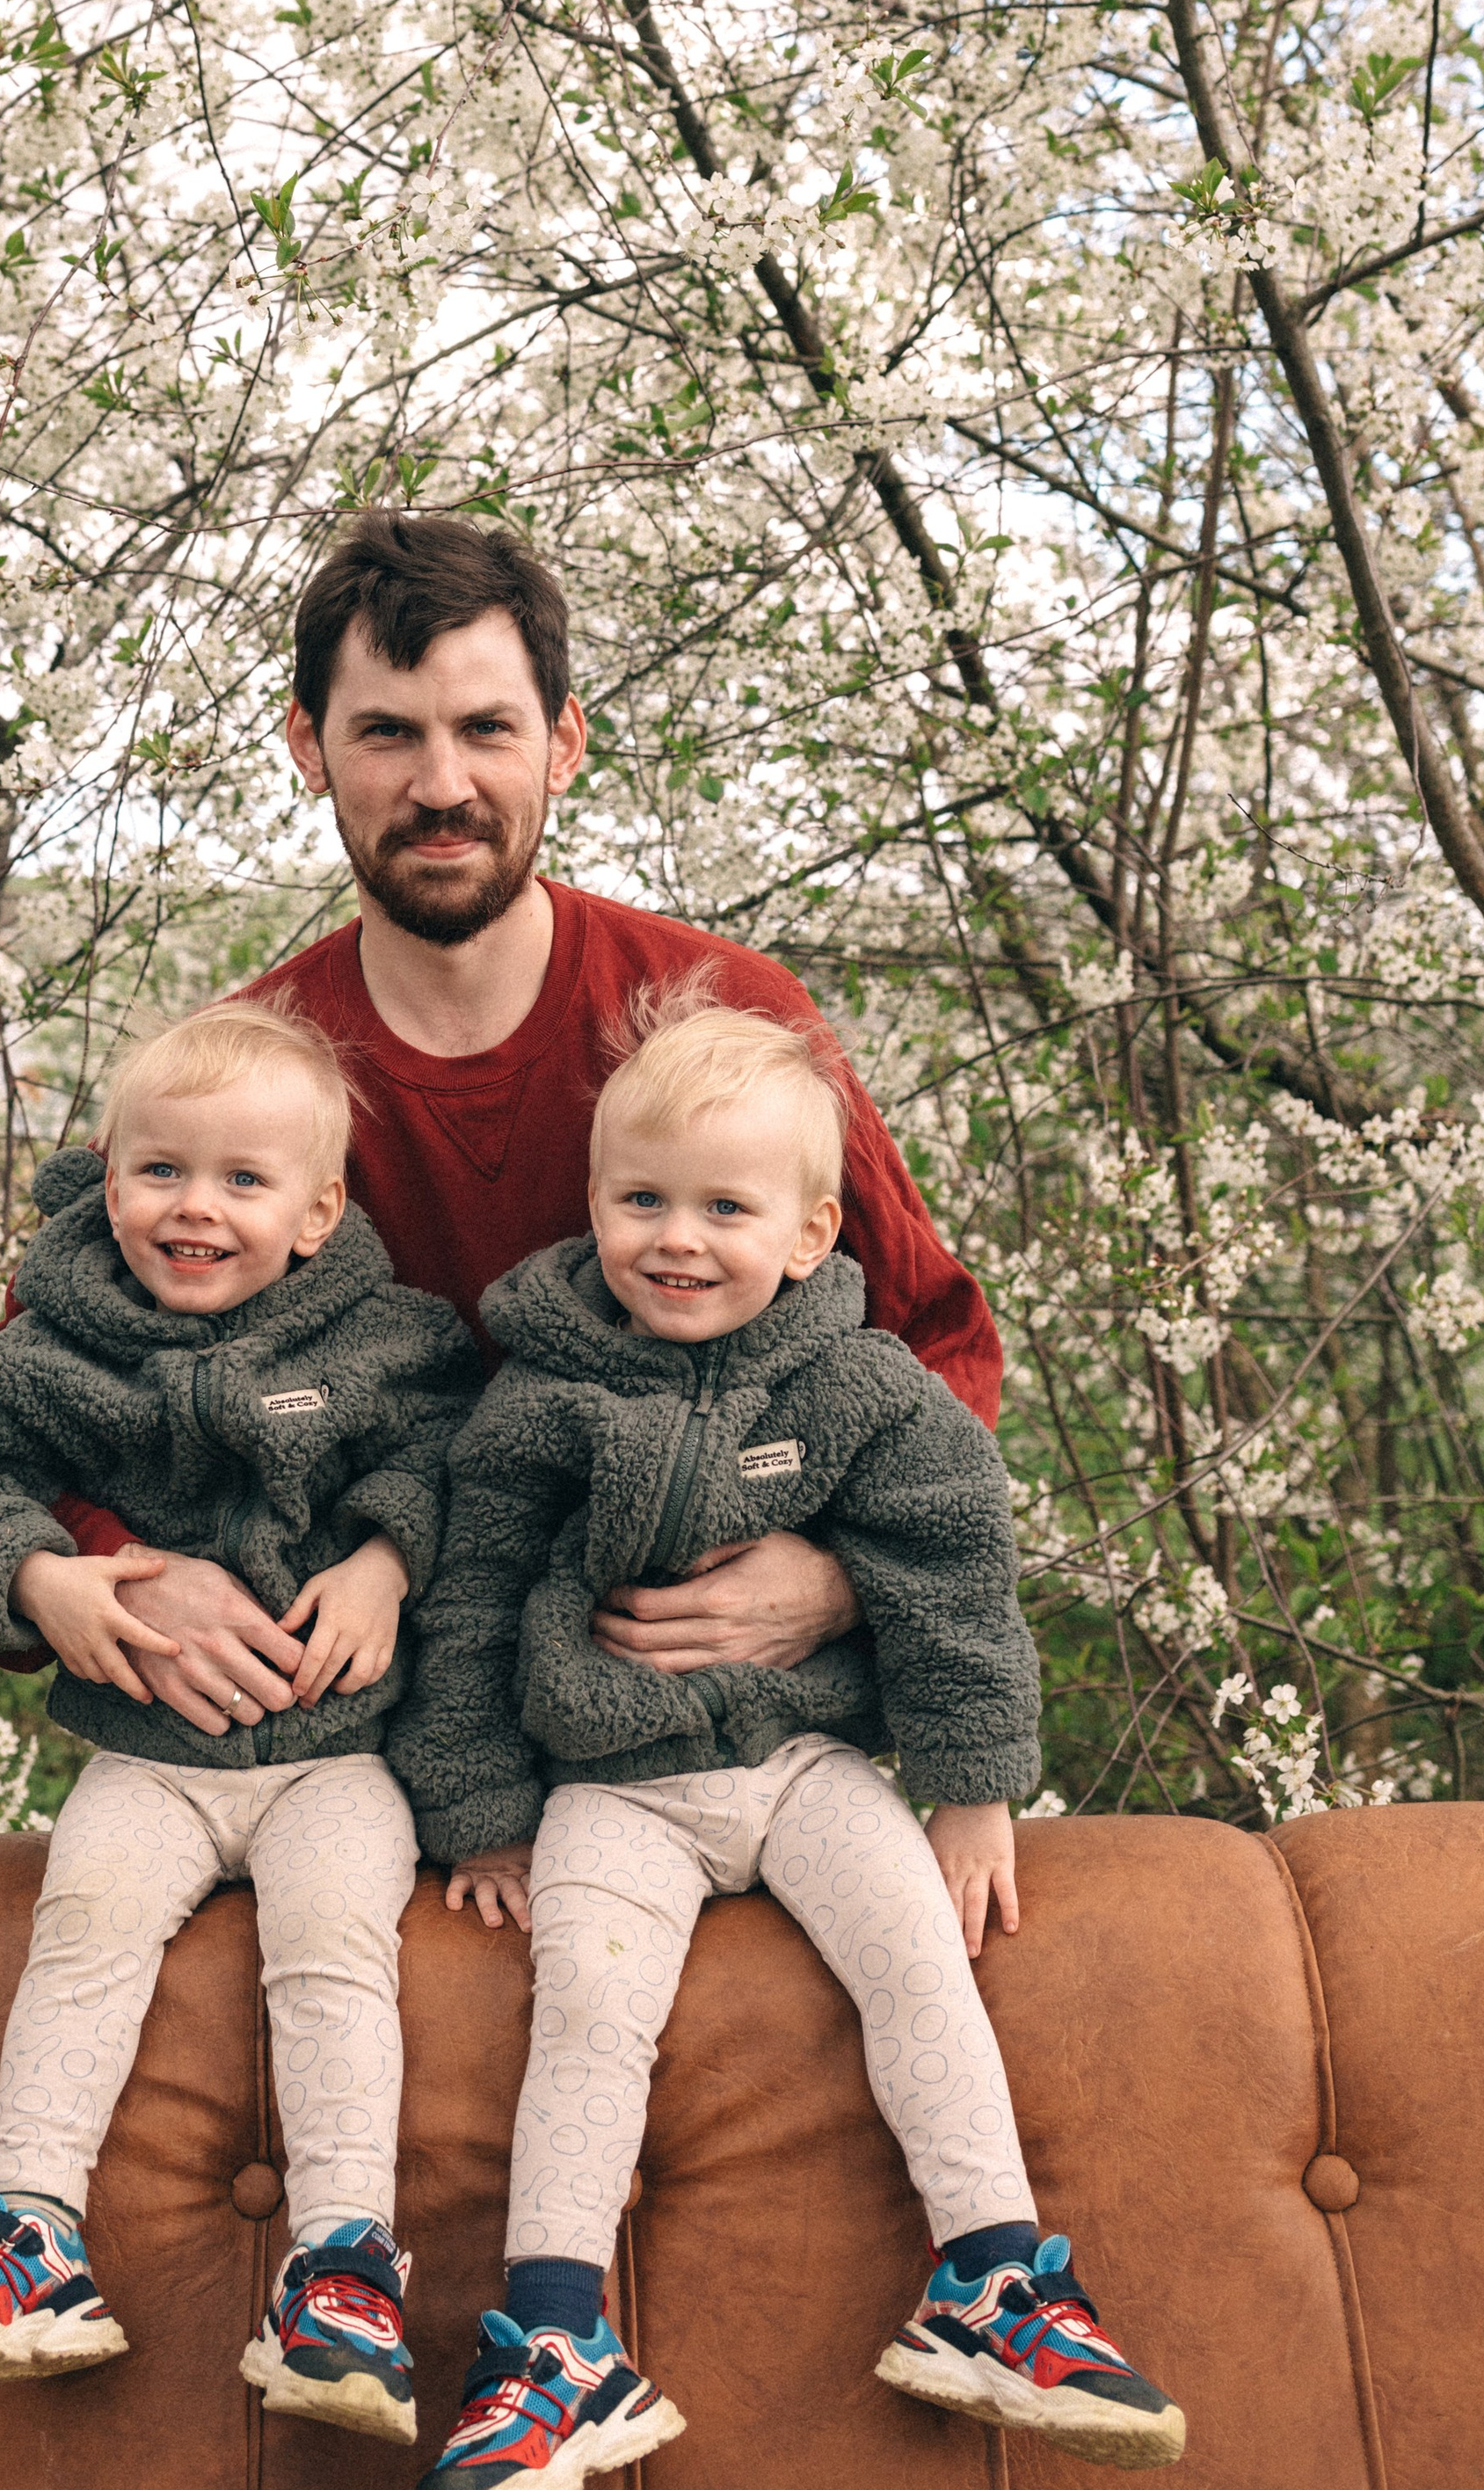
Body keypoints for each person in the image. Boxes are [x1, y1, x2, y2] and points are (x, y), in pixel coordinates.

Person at [17, 509, 1008, 1745]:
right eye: (386, 732)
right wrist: (103, 1567)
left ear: (562, 743)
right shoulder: (235, 1094)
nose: (443, 787)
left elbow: (939, 1344)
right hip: (338, 1744)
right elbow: (23, 1411)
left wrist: (843, 1577)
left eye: (486, 729)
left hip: (682, 1731)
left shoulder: (736, 1020)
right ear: (307, 747)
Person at [389, 998, 1186, 2482]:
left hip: (804, 1767)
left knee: (918, 1966)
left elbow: (954, 1566)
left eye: (724, 1208)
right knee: (586, 2019)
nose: (676, 1240)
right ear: (593, 1207)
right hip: (613, 1786)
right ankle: (558, 2340)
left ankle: (994, 2279)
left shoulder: (859, 1391)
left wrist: (968, 1790)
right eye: (642, 1202)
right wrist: (481, 1804)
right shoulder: (542, 1396)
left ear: (812, 1233)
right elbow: (473, 1603)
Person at [0, 1001, 477, 2445]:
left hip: (336, 1751)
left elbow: (465, 1467)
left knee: (335, 1956)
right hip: (151, 1754)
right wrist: (36, 1575)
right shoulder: (56, 1348)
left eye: (243, 1182)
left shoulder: (388, 1342)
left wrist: (391, 1558)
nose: (195, 1210)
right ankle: (25, 2232)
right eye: (161, 1173)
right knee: (85, 1928)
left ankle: (344, 2264)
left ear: (320, 1211)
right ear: (109, 1172)